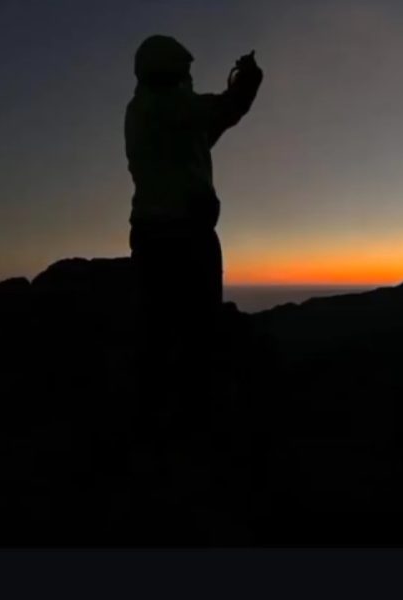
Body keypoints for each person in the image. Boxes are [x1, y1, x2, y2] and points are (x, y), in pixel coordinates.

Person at [125, 34, 263, 433]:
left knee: (156, 328)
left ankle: (153, 416)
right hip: (186, 235)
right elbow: (224, 110)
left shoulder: (140, 110)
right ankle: (200, 423)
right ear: (170, 71)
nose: (188, 78)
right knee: (199, 331)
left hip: (150, 233)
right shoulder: (174, 106)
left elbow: (197, 135)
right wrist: (249, 81)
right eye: (184, 71)